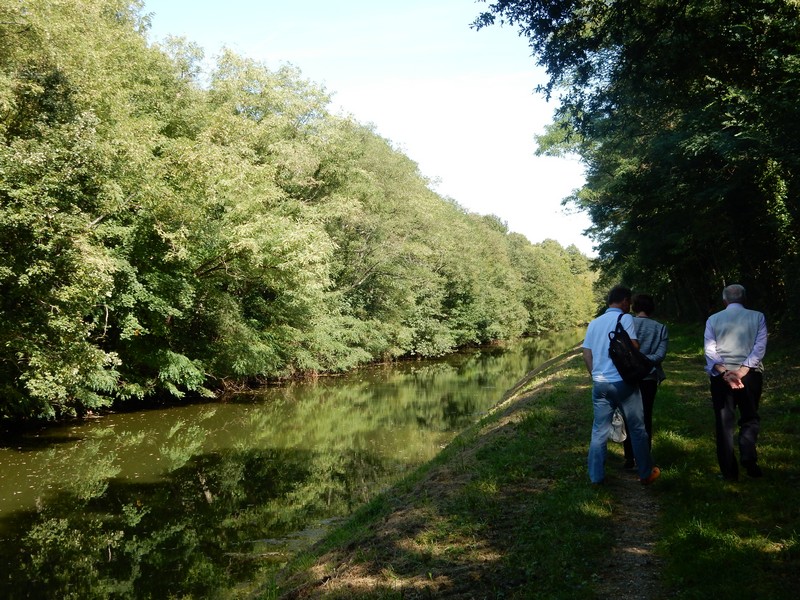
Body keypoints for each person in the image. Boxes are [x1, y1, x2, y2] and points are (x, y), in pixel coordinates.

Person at [582, 285, 661, 485]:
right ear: (624, 301)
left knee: (599, 431)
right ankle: (645, 473)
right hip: (623, 383)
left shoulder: (594, 323)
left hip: (600, 384)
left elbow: (586, 354)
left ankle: (596, 477)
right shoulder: (624, 318)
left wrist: (595, 375)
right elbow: (633, 346)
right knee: (637, 429)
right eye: (629, 302)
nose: (629, 306)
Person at [704, 283, 767, 480]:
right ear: (745, 299)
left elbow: (710, 348)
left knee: (724, 423)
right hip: (750, 376)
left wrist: (725, 372)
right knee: (750, 416)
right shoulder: (758, 316)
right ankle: (748, 456)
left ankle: (729, 472)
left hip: (721, 378)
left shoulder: (713, 319)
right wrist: (742, 370)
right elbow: (760, 346)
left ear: (725, 301)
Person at [622, 294, 668, 470]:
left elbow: (621, 351)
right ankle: (644, 457)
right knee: (646, 416)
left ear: (634, 307)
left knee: (628, 416)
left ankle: (629, 457)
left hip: (629, 375)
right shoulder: (660, 328)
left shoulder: (627, 323)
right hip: (649, 377)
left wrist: (634, 361)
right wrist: (645, 362)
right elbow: (660, 355)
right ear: (652, 308)